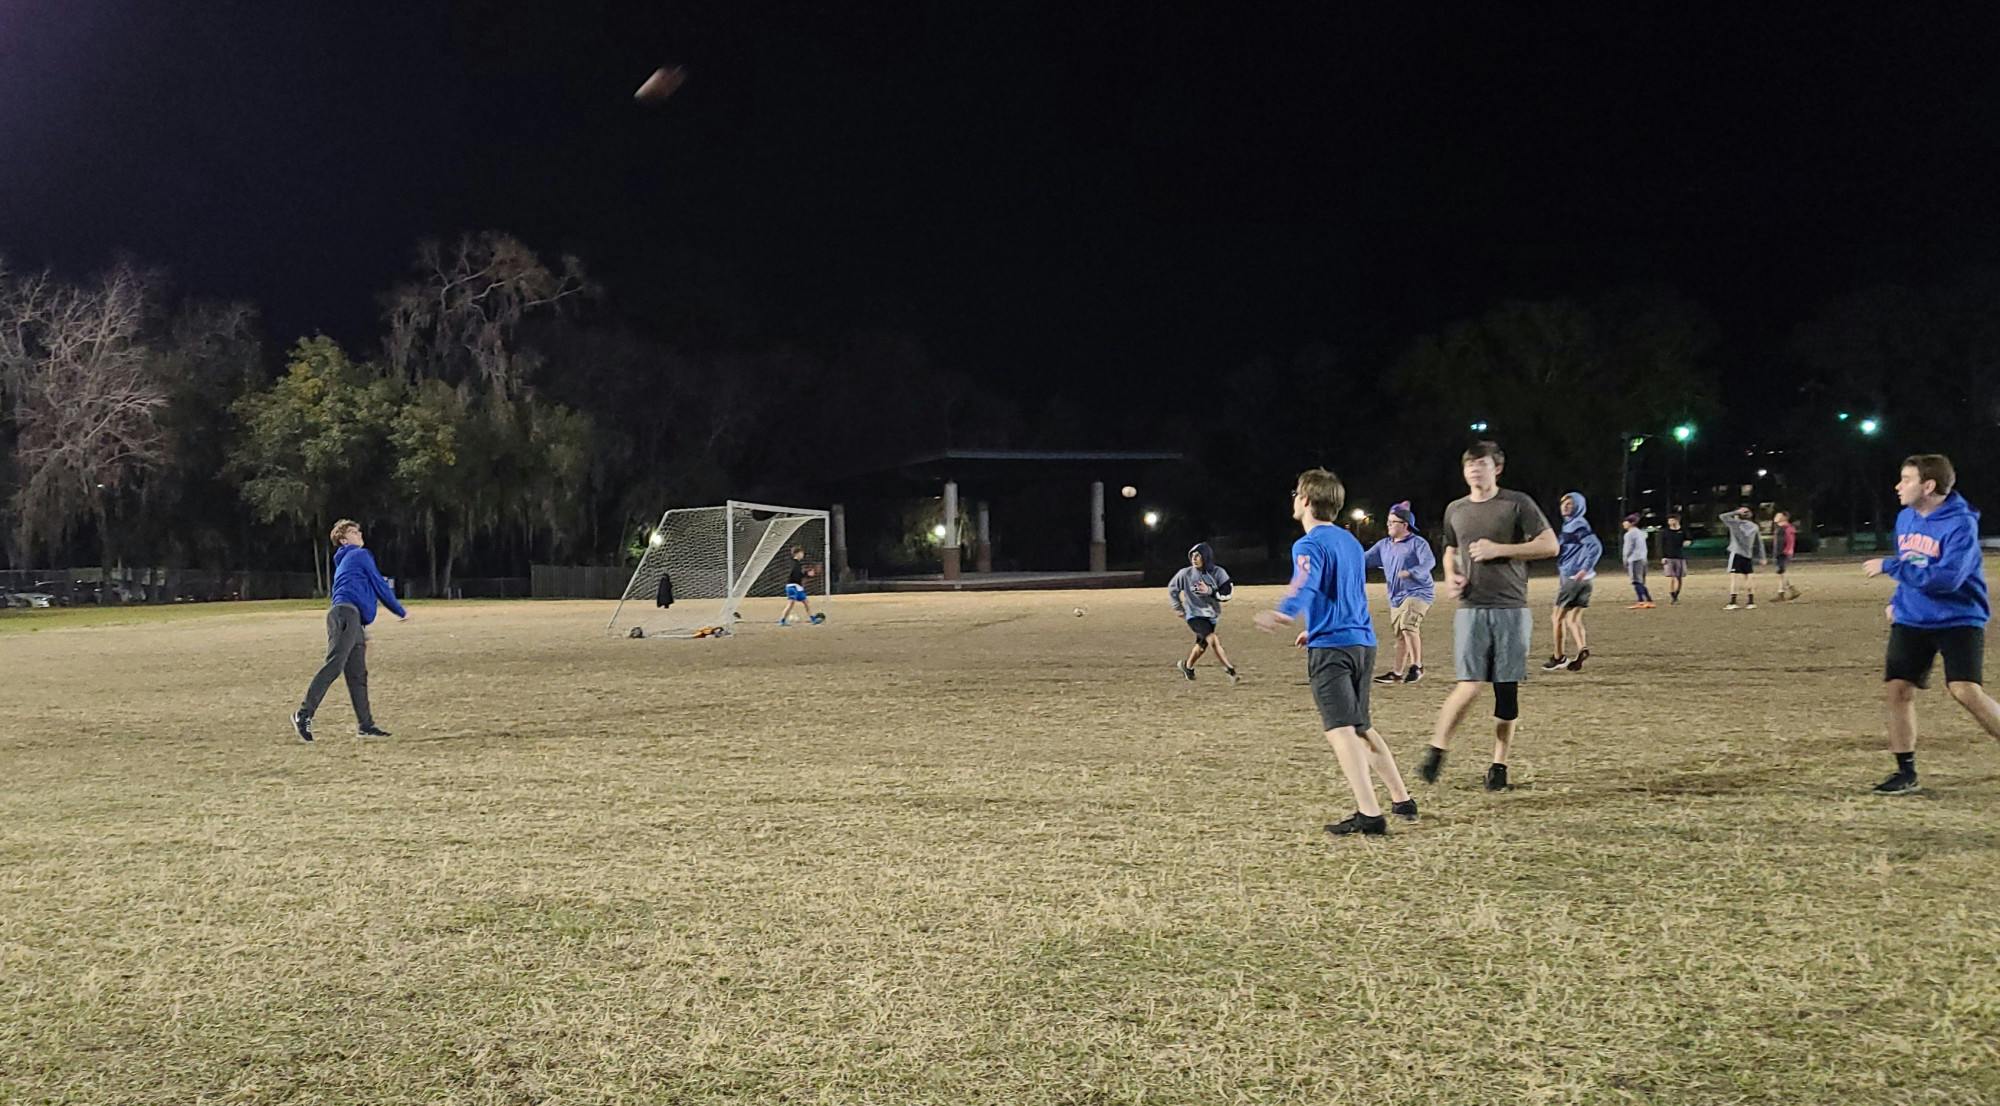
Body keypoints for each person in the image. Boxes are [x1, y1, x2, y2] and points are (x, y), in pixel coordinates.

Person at [1254, 468, 1417, 836]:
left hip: (1333, 649)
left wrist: (1285, 610)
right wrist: (1314, 626)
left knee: (1340, 730)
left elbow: (1305, 582)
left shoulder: (1308, 544)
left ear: (1307, 500)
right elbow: (1348, 593)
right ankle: (1402, 799)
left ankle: (1369, 814)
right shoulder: (1349, 542)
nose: (1294, 499)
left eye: (1297, 493)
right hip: (1362, 642)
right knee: (1360, 725)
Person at [1423, 442, 1559, 791]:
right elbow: (1450, 550)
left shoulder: (1517, 503)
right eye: (1469, 464)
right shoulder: (1456, 509)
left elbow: (1549, 545)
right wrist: (1451, 575)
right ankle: (1436, 750)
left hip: (1510, 608)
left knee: (1505, 692)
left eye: (1481, 464)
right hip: (1471, 607)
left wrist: (1502, 550)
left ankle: (1499, 764)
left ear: (1497, 468)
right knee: (1469, 682)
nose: (1474, 470)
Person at [1862, 454, 2000, 794]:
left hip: (1959, 617)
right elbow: (1914, 564)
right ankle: (1905, 772)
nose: (1898, 486)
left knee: (1965, 690)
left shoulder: (1961, 524)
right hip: (1912, 617)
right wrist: (1897, 600)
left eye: (1906, 479)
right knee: (1898, 689)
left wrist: (1890, 566)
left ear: (1929, 485)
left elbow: (1947, 579)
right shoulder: (1905, 517)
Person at [291, 519, 409, 742]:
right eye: (354, 532)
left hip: (352, 619)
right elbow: (379, 584)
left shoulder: (349, 560)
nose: (360, 534)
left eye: (359, 530)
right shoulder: (358, 555)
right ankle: (303, 714)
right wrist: (400, 610)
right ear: (344, 540)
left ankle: (366, 725)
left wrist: (361, 629)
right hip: (347, 614)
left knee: (357, 674)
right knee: (335, 664)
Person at [1363, 501, 1436, 684]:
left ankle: (1417, 666)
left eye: (1393, 522)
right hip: (1396, 596)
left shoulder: (1418, 543)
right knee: (1401, 635)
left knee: (1408, 625)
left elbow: (1429, 563)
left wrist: (1412, 572)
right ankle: (1396, 673)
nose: (1388, 525)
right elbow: (1362, 560)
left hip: (1419, 592)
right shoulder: (1383, 545)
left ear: (1405, 525)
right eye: (1388, 521)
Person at [1545, 491, 1602, 673]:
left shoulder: (1576, 524)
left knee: (1556, 618)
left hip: (1573, 578)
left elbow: (1595, 546)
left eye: (1570, 504)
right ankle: (1582, 648)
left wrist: (1584, 567)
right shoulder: (1571, 525)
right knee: (1573, 619)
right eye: (1564, 504)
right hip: (1585, 581)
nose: (1565, 507)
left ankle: (1558, 656)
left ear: (1579, 507)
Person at [1167, 542, 1238, 684]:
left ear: (1206, 557)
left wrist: (1210, 591)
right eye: (1192, 555)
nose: (1194, 558)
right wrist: (1178, 608)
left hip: (1211, 616)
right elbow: (1172, 589)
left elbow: (1227, 593)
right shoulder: (1185, 574)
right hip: (1194, 615)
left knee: (1201, 646)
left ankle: (1187, 666)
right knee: (1212, 639)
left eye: (1198, 555)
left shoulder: (1218, 573)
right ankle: (1230, 670)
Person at [1718, 506, 1766, 610]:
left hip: (1736, 552)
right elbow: (1759, 543)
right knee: (1749, 576)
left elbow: (1722, 516)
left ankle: (1733, 601)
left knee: (1734, 577)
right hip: (1748, 554)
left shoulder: (1735, 524)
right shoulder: (1754, 527)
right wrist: (1762, 556)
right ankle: (1751, 601)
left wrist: (1735, 511)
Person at [778, 547, 825, 625]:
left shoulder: (798, 564)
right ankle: (782, 620)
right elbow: (795, 575)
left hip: (798, 587)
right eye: (801, 553)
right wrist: (806, 574)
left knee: (806, 602)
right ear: (797, 553)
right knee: (791, 603)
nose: (803, 555)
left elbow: (798, 575)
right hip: (792, 586)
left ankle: (813, 619)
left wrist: (807, 574)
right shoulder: (794, 563)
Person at [1622, 514, 1656, 609]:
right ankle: (1648, 600)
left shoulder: (1629, 534)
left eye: (1626, 522)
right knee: (1641, 581)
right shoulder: (1641, 533)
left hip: (1634, 559)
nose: (1624, 523)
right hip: (1643, 558)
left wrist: (1625, 559)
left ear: (1631, 523)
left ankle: (1642, 600)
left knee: (1636, 581)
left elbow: (1628, 548)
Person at [1660, 513, 1688, 605]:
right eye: (1669, 520)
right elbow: (1663, 545)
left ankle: (1677, 593)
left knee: (1679, 578)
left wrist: (1687, 542)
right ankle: (1673, 595)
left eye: (1672, 520)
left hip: (1679, 556)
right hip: (1669, 557)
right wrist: (1663, 557)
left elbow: (1689, 539)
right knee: (1672, 577)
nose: (1670, 522)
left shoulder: (1683, 531)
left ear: (1677, 520)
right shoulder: (1665, 532)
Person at [1772, 511, 1801, 601]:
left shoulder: (1783, 529)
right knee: (1781, 573)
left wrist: (1781, 552)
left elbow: (1784, 542)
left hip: (1782, 553)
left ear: (1784, 518)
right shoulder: (1787, 528)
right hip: (1785, 552)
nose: (1776, 517)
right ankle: (1781, 593)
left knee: (1782, 572)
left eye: (1778, 515)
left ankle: (1793, 589)